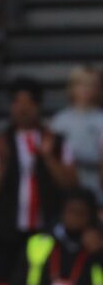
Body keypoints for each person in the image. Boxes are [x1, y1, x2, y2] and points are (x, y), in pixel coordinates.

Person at [0, 78, 77, 282]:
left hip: (47, 228)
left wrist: (49, 158)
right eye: (17, 102)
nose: (23, 109)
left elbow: (70, 185)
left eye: (29, 102)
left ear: (38, 106)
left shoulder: (57, 142)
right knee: (2, 284)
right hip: (8, 231)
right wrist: (4, 162)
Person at [50, 66, 103, 205]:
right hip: (66, 184)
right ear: (72, 88)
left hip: (95, 184)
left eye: (91, 84)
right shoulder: (60, 120)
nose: (86, 89)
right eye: (81, 84)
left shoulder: (100, 119)